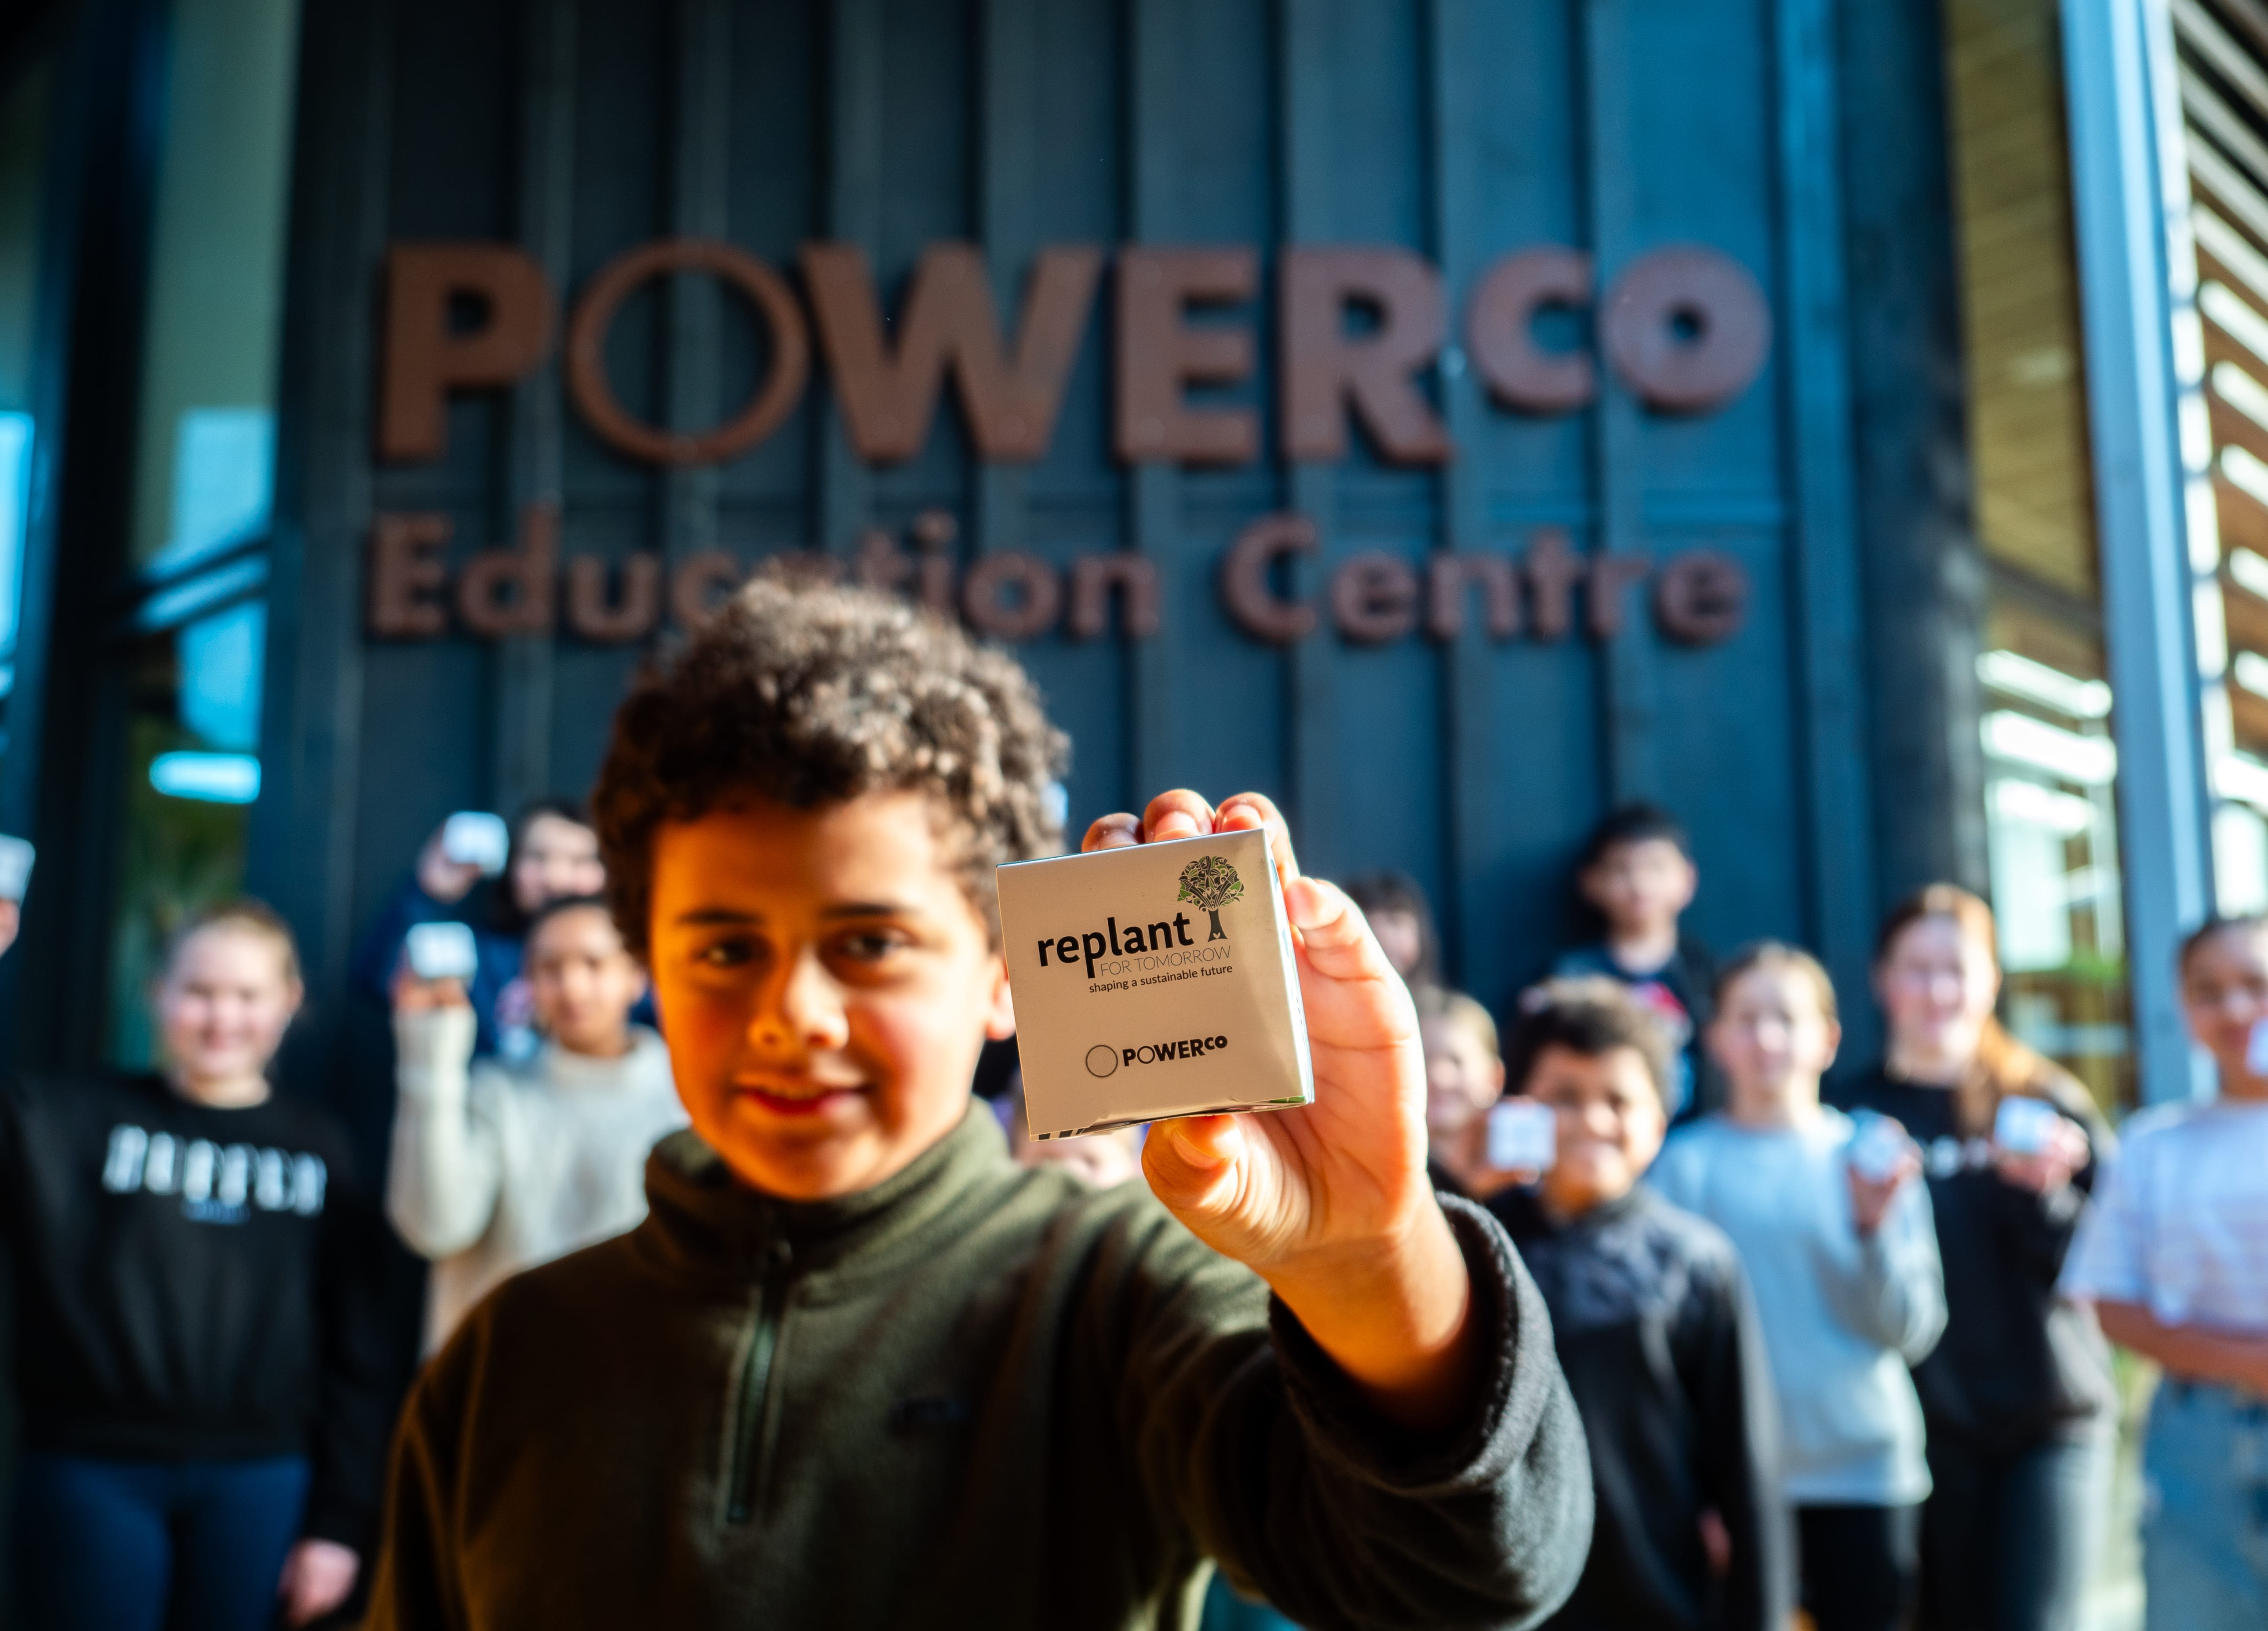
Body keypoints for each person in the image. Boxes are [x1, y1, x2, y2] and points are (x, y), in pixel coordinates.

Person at [360, 580, 1593, 1629]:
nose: (797, 1011)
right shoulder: (502, 1362)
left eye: (872, 942)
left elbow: (1464, 1578)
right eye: (726, 949)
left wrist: (1368, 1256)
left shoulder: (1119, 1292)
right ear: (649, 974)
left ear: (1004, 976)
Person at [1, 901, 392, 1631]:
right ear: (157, 994)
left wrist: (340, 1524)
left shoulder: (326, 1149)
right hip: (92, 1469)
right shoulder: (66, 1120)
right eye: (199, 992)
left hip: (263, 1478)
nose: (222, 1018)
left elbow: (360, 1352)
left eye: (247, 995)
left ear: (290, 1001)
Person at [1830, 884, 2114, 1631]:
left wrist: (2046, 1198)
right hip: (1919, 1431)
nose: (1937, 990)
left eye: (1955, 968)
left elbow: (2110, 1267)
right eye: (1915, 968)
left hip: (2048, 1419)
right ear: (1880, 979)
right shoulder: (1849, 1114)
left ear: (1990, 979)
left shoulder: (2042, 1101)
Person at [1649, 943, 1946, 1631]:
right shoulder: (1679, 1168)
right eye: (1746, 1018)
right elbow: (1666, 1354)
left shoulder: (1871, 1156)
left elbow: (1911, 1330)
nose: (1767, 1037)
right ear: (1716, 1039)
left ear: (1828, 1038)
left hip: (1865, 1470)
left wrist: (1872, 1229)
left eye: (1785, 1016)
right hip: (1738, 1483)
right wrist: (1697, 1486)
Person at [1486, 977, 1791, 1631]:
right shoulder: (1477, 1248)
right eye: (1564, 1097)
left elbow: (1748, 1474)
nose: (1592, 1120)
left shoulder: (1693, 1263)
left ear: (1656, 1122)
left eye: (1617, 1100)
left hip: (1659, 1598)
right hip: (1505, 1601)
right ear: (1521, 1108)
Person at [2060, 915, 2268, 1631]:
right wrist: (2247, 1359)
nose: (2235, 1009)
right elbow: (2109, 1300)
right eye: (2207, 991)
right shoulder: (2154, 1146)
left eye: (2255, 984)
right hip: (2195, 1443)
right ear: (2182, 1009)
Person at [386, 893, 688, 1352]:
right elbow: (433, 1227)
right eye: (549, 967)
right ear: (528, 981)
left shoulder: (684, 1100)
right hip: (499, 1388)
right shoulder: (496, 1091)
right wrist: (432, 1053)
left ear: (638, 974)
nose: (572, 986)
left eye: (594, 963)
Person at [350, 797, 608, 1059]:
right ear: (510, 867)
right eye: (537, 857)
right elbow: (378, 983)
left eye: (579, 861)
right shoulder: (476, 954)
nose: (556, 877)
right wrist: (428, 895)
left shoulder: (628, 961)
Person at [1551, 804, 1718, 1125]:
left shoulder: (1710, 978)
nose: (1639, 884)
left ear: (1687, 879)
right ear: (1590, 882)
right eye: (1621, 870)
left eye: (1655, 868)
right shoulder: (1565, 980)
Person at [1416, 984, 1509, 1199]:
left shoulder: (1521, 1190)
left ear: (1495, 1078)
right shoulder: (1381, 1181)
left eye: (1456, 1061)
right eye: (1423, 1058)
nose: (1440, 1077)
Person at [1344, 871, 1442, 987]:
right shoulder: (1328, 1004)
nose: (1382, 934)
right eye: (1368, 924)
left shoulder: (1454, 1006)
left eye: (1395, 922)